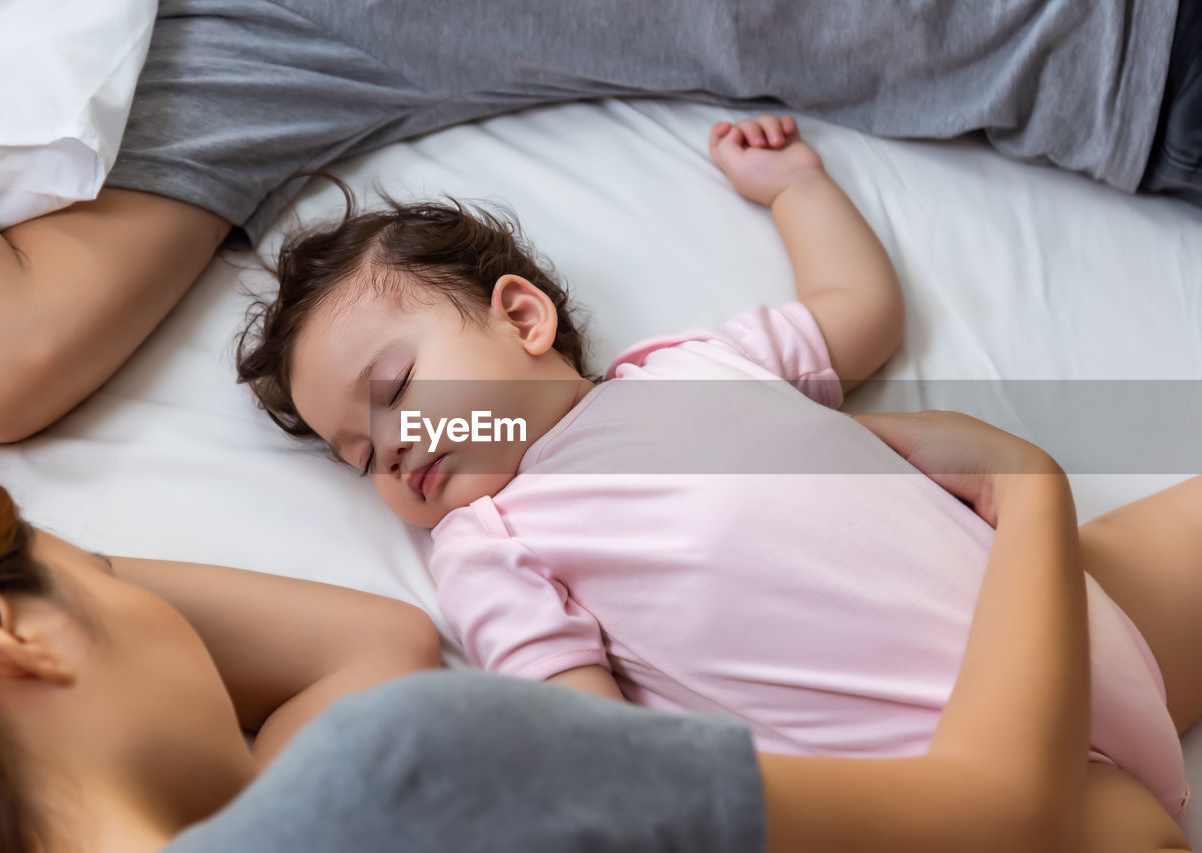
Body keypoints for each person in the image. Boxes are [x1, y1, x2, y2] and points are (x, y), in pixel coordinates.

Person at [236, 113, 1202, 843]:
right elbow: (602, 754)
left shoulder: (693, 361)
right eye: (359, 455)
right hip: (935, 757)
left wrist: (796, 188)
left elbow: (856, 310)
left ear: (523, 317)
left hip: (1063, 589)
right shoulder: (494, 545)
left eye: (396, 389)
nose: (391, 448)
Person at [0, 403, 1190, 852]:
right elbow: (997, 816)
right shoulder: (404, 772)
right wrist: (1024, 486)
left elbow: (367, 649)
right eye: (100, 563)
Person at [0, 0, 1197, 444]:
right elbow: (0, 356)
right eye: (373, 436)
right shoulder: (221, 49)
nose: (397, 448)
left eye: (391, 407)